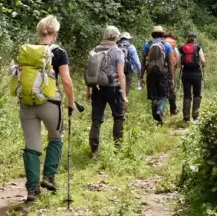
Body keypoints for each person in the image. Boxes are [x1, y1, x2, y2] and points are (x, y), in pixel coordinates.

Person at [12, 15, 76, 202]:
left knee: (31, 146)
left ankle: (32, 189)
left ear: (39, 32)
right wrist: (71, 101)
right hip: (50, 103)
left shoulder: (27, 51)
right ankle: (48, 177)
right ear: (55, 33)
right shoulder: (59, 52)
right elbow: (65, 80)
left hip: (27, 103)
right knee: (56, 138)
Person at [86, 26, 128, 158]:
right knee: (118, 116)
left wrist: (89, 90)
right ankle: (117, 148)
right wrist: (124, 95)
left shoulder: (93, 50)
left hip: (97, 88)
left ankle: (94, 150)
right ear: (116, 37)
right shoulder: (117, 51)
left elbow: (89, 72)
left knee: (96, 119)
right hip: (113, 87)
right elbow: (121, 75)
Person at [140, 26, 176, 124]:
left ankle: (156, 119)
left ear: (153, 34)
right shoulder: (167, 45)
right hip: (163, 73)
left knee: (153, 96)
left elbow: (143, 62)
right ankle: (159, 111)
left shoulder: (147, 44)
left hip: (150, 73)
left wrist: (141, 76)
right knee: (164, 95)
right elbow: (171, 63)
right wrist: (172, 78)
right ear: (162, 34)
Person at [179, 32, 206, 124]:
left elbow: (179, 63)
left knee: (187, 95)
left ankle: (186, 118)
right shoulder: (198, 47)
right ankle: (195, 117)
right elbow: (203, 60)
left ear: (188, 38)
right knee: (197, 94)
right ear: (195, 38)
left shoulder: (182, 48)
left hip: (186, 74)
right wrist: (203, 64)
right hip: (196, 74)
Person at [117, 32, 141, 96]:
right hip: (128, 69)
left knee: (118, 87)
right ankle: (124, 101)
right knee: (126, 87)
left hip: (118, 69)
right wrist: (140, 75)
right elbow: (137, 63)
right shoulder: (131, 47)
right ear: (128, 39)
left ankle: (117, 101)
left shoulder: (116, 47)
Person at [164, 31, 181, 115]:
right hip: (170, 70)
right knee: (171, 89)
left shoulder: (161, 43)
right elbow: (177, 61)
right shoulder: (173, 45)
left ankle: (159, 111)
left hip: (159, 69)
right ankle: (173, 109)